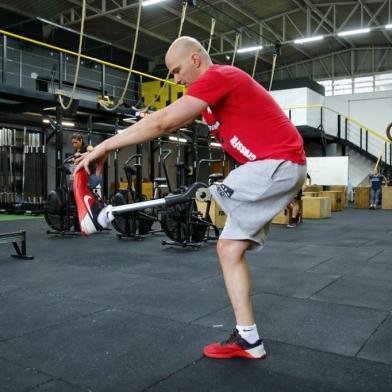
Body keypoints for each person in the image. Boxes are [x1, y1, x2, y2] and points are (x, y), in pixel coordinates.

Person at [75, 36, 307, 360]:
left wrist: (104, 145)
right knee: (228, 249)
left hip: (277, 163)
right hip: (276, 166)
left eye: (176, 70)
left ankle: (103, 215)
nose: (175, 79)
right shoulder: (210, 103)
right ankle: (249, 339)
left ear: (196, 60)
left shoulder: (219, 76)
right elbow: (162, 119)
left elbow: (164, 121)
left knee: (201, 197)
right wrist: (138, 126)